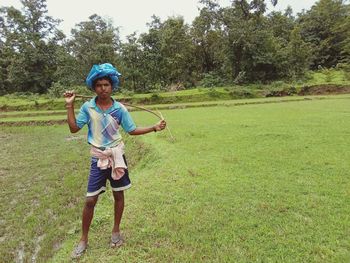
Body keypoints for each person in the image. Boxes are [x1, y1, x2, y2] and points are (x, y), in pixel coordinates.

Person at [63, 63, 166, 258]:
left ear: (112, 87)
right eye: (99, 85)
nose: (103, 88)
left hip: (117, 156)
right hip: (98, 158)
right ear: (94, 88)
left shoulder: (120, 109)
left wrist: (154, 128)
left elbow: (132, 130)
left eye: (106, 85)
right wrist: (69, 105)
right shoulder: (88, 107)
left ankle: (116, 231)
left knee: (119, 196)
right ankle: (83, 239)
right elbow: (74, 128)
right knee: (90, 200)